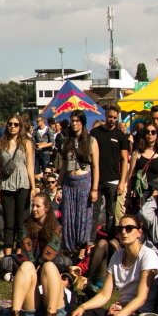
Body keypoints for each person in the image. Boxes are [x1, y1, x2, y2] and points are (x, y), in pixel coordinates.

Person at [54, 213, 158, 316]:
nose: (123, 232)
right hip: (119, 310)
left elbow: (141, 298)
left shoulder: (148, 256)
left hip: (139, 314)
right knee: (77, 313)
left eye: (129, 228)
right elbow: (105, 295)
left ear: (139, 232)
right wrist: (82, 307)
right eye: (120, 229)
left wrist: (118, 315)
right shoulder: (117, 255)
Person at [6, 192, 67, 316]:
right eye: (33, 205)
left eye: (37, 206)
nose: (34, 209)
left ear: (46, 208)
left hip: (52, 297)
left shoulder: (56, 228)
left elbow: (51, 253)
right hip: (33, 305)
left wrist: (40, 263)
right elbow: (27, 255)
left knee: (49, 265)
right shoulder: (26, 227)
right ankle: (14, 315)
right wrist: (33, 267)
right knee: (26, 265)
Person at [54, 109, 99, 256]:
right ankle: (69, 249)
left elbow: (95, 166)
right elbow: (63, 167)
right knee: (68, 216)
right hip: (68, 182)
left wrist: (94, 189)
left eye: (77, 121)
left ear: (83, 123)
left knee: (83, 216)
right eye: (72, 121)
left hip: (84, 181)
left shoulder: (92, 141)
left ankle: (81, 250)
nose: (74, 124)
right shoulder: (67, 140)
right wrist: (58, 187)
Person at [0, 114, 36, 259]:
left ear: (20, 127)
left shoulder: (26, 143)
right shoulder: (1, 143)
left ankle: (19, 255)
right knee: (9, 222)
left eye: (16, 124)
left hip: (23, 184)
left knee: (21, 222)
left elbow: (30, 167)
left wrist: (33, 187)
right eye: (10, 124)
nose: (12, 127)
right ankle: (7, 255)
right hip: (6, 184)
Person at [90, 106, 131, 233]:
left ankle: (110, 236)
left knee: (111, 211)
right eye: (110, 117)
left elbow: (125, 159)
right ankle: (91, 240)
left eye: (114, 117)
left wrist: (123, 182)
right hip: (96, 179)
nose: (112, 120)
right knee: (94, 211)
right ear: (105, 116)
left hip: (113, 179)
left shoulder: (120, 135)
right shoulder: (95, 132)